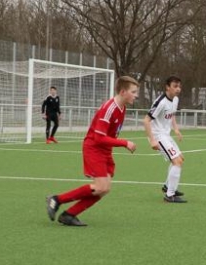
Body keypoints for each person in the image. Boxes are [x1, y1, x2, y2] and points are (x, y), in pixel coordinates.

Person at [45, 76, 139, 226]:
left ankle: (69, 215)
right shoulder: (109, 108)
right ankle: (56, 199)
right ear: (123, 92)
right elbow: (99, 138)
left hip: (105, 150)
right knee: (100, 187)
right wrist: (125, 143)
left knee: (104, 189)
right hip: (94, 148)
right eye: (133, 92)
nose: (136, 95)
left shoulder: (122, 108)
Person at [144, 76, 186, 203]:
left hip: (166, 135)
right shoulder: (161, 102)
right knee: (177, 161)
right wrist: (152, 140)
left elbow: (172, 115)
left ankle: (168, 187)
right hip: (158, 136)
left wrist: (176, 129)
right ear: (167, 87)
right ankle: (170, 195)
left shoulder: (175, 99)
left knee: (180, 159)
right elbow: (146, 120)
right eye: (175, 86)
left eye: (179, 86)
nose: (178, 89)